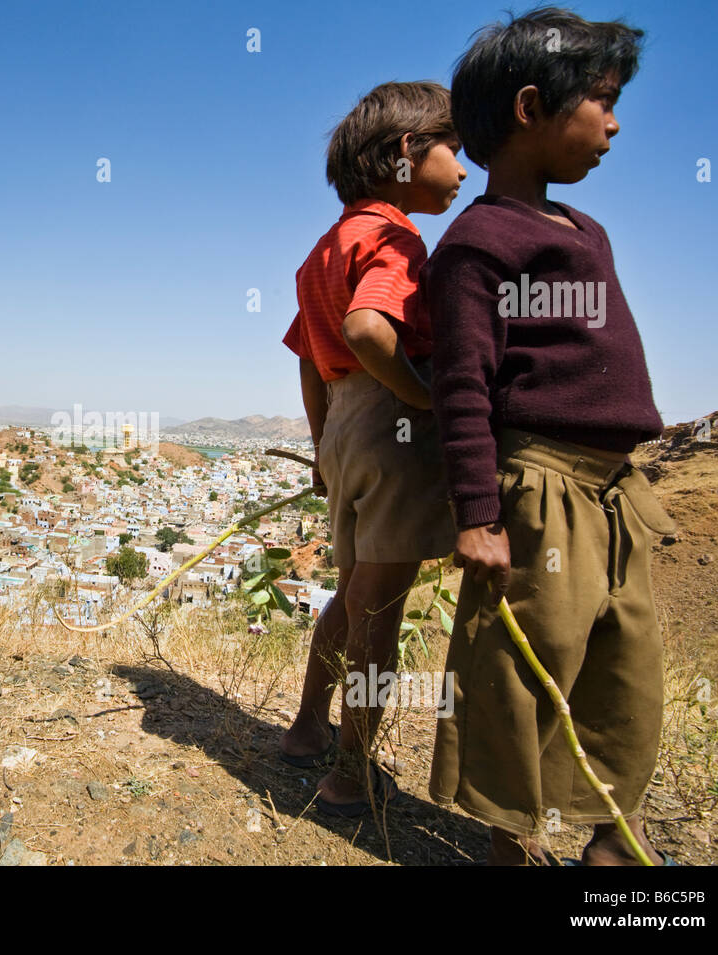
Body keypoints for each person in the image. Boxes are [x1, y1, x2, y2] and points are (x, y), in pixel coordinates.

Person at [425, 7, 675, 864]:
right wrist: (479, 514)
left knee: (628, 672)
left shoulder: (585, 231)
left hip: (616, 495)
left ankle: (611, 843)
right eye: (601, 100)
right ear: (531, 107)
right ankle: (508, 840)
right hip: (540, 493)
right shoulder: (476, 244)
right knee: (520, 673)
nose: (614, 122)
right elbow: (463, 388)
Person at [280, 81, 465, 815]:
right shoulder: (397, 239)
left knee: (354, 592)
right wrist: (424, 396)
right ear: (403, 155)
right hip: (393, 425)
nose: (463, 168)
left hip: (343, 427)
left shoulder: (323, 249)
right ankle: (351, 775)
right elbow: (367, 330)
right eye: (452, 149)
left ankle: (304, 728)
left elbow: (306, 354)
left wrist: (322, 440)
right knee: (380, 610)